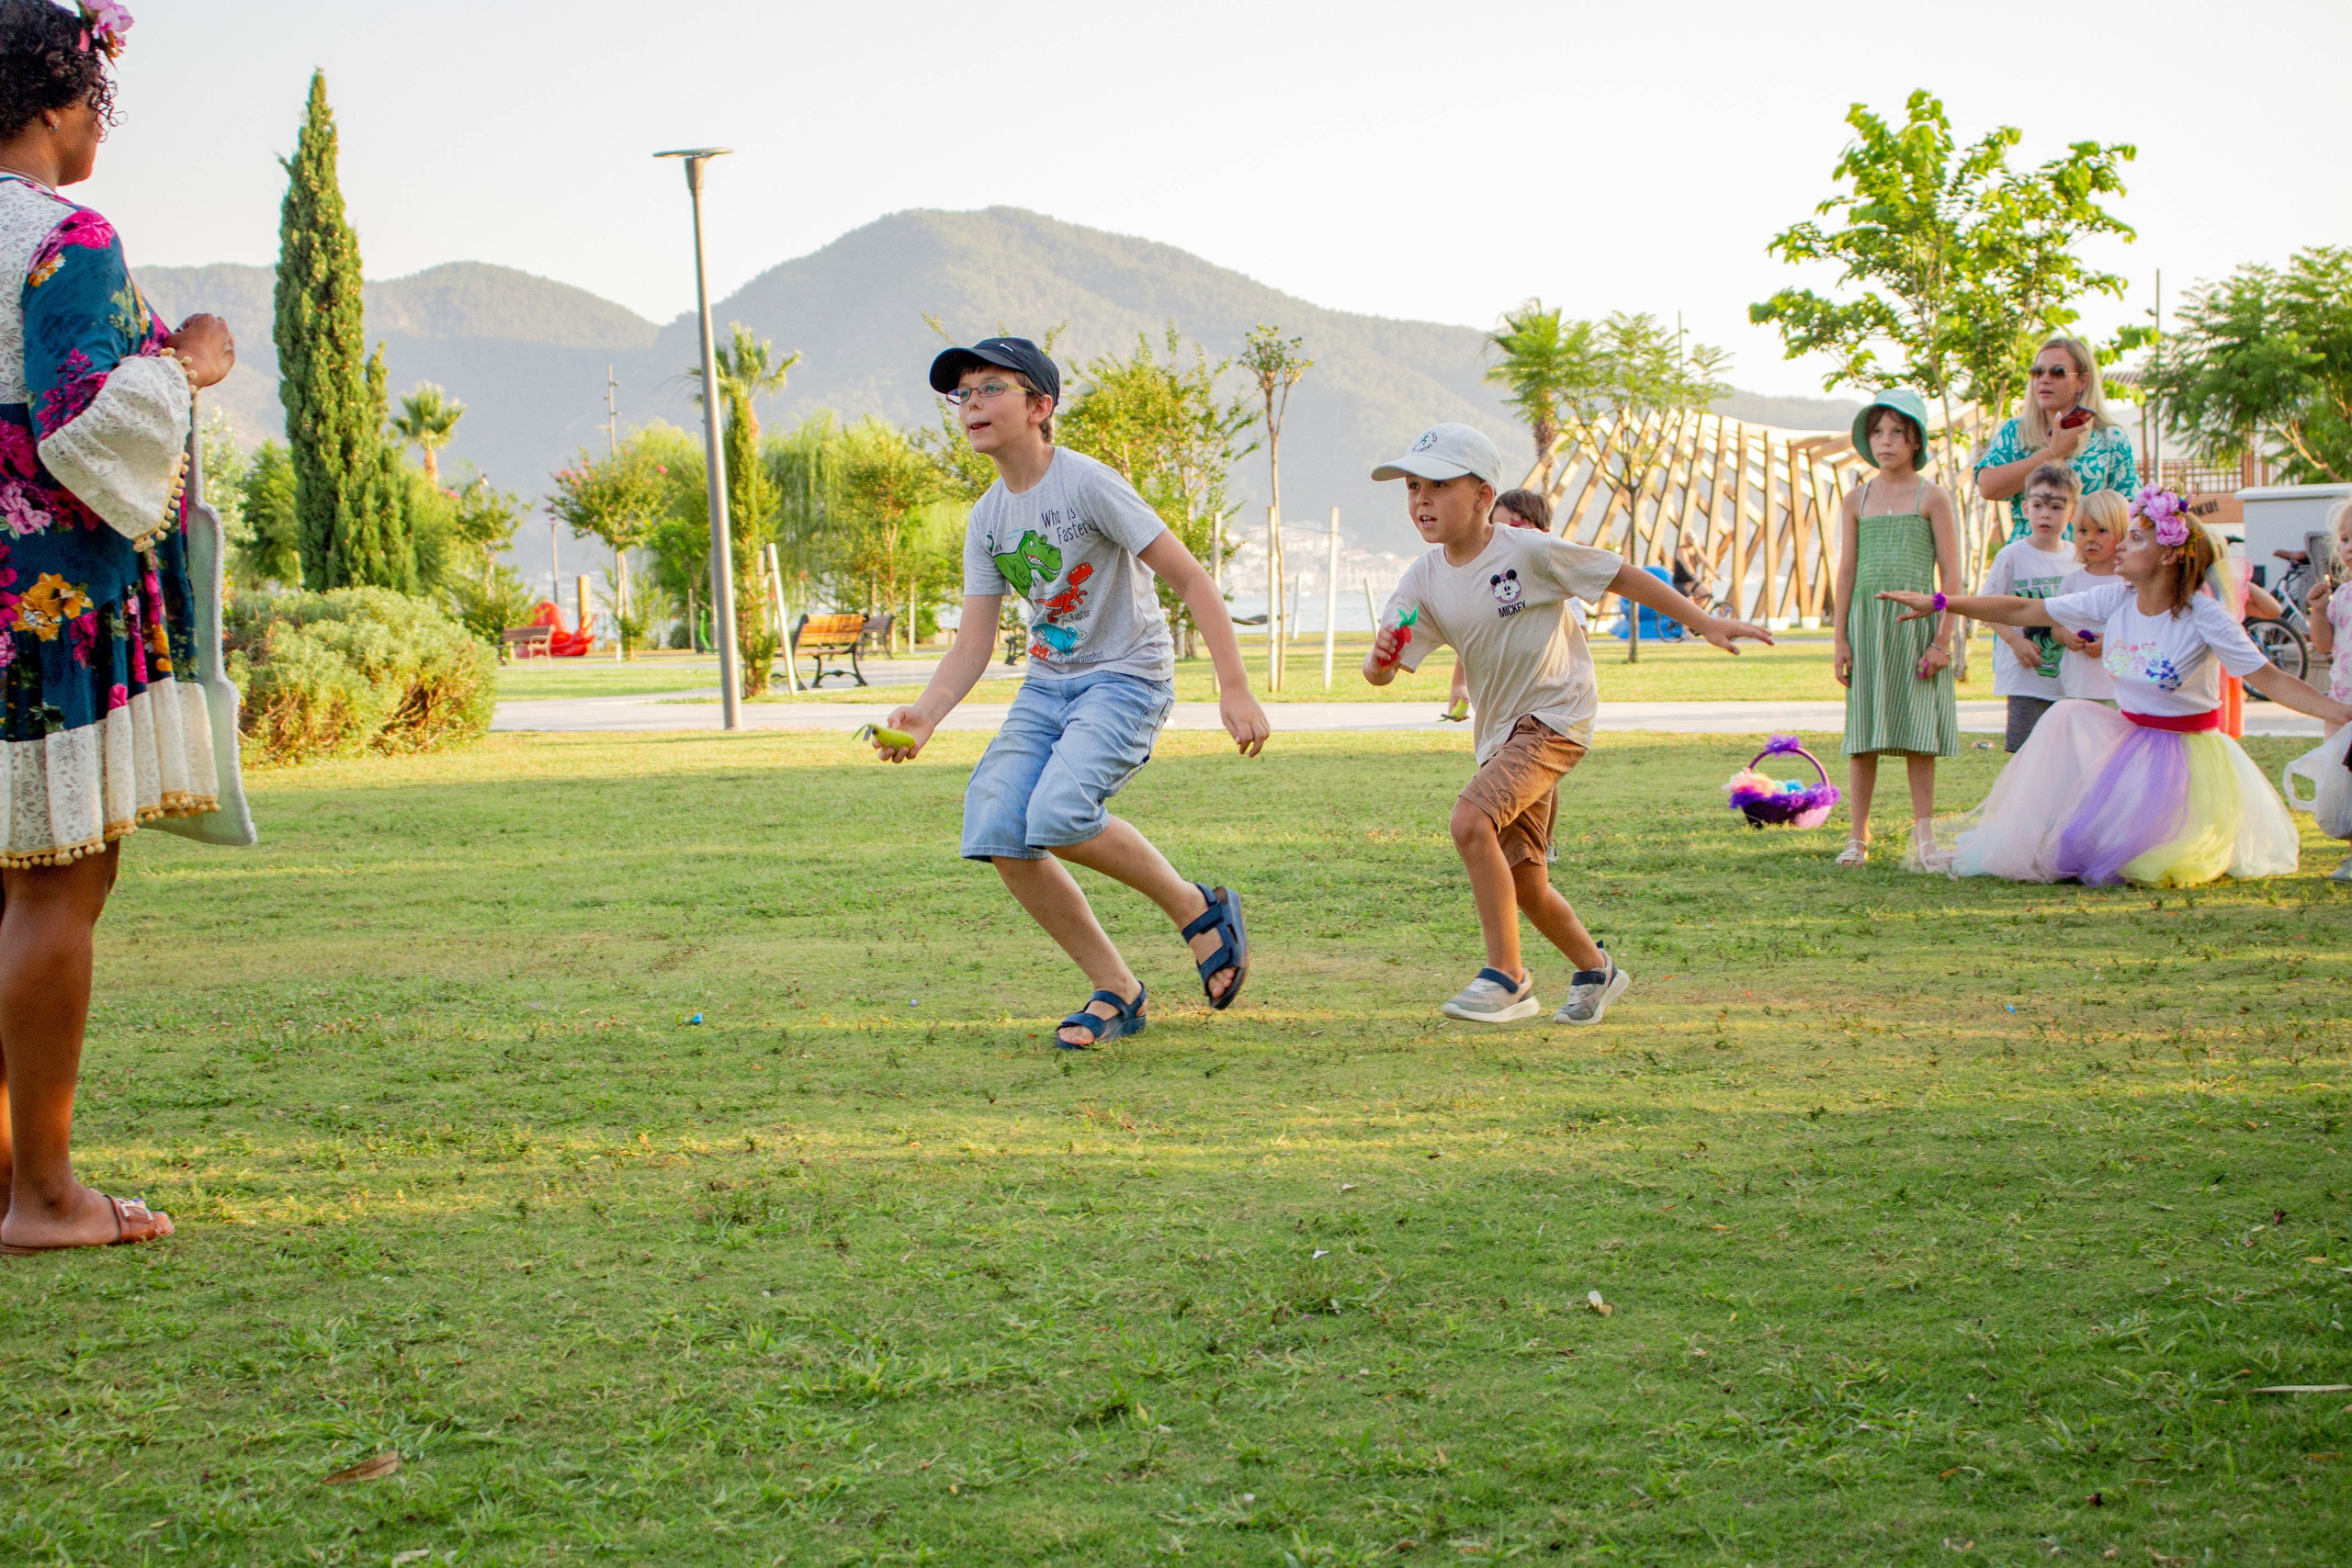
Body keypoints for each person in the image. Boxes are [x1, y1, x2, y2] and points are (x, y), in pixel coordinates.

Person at [0, 0, 253, 1256]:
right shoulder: (65, 237)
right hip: (39, 603)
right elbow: (83, 428)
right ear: (55, 109)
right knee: (56, 880)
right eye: (98, 100)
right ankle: (42, 1192)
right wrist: (189, 361)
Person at [871, 337, 1271, 1048]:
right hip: (1048, 684)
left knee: (1057, 811)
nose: (972, 404)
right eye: (963, 394)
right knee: (996, 822)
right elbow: (974, 643)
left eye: (991, 388)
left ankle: (1195, 907)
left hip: (1126, 676)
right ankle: (1117, 987)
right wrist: (925, 715)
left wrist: (1233, 686)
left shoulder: (1088, 484)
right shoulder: (987, 518)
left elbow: (1192, 579)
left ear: (1040, 406)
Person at [1363, 423, 1769, 1026]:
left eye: (1439, 485)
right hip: (1503, 737)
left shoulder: (1527, 551)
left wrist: (1702, 620)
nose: (1421, 499)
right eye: (1413, 487)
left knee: (1469, 820)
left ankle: (1508, 976)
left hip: (1556, 719)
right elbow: (1382, 672)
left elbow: (1622, 575)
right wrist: (1381, 658)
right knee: (1524, 882)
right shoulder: (1422, 578)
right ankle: (1594, 968)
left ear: (1482, 495)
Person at [1881, 487, 2352, 886]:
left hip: (2186, 759)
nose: (2120, 547)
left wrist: (2341, 714)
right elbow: (2028, 611)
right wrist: (1943, 601)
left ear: (2167, 554)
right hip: (2127, 745)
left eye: (2136, 538)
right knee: (2065, 716)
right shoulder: (2118, 597)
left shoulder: (2202, 615)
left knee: (2143, 864)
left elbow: (2269, 677)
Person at [1831, 389, 1960, 869]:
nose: (1886, 442)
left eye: (1897, 433)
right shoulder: (1855, 499)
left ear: (1915, 441)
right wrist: (1840, 637)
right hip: (1867, 627)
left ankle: (1925, 837)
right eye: (1878, 432)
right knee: (1862, 732)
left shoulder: (1934, 497)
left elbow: (1953, 575)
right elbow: (1847, 570)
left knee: (1917, 732)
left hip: (1916, 626)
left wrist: (1942, 640)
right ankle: (1857, 836)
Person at [1973, 335, 2139, 543]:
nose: (2044, 379)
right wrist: (2053, 452)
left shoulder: (2110, 438)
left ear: (2082, 381)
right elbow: (1988, 487)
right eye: (2037, 372)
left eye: (2057, 372)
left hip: (2088, 559)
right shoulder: (2015, 432)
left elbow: (2130, 507)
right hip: (2030, 560)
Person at [1981, 463, 2078, 751]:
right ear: (2025, 508)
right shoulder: (2012, 556)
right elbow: (1988, 608)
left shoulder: (2077, 558)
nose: (2046, 514)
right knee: (2023, 757)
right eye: (2038, 504)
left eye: (2057, 506)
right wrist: (2015, 641)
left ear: (2071, 512)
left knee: (2063, 757)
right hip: (2025, 681)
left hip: (2067, 683)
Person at [1442, 487, 1549, 723]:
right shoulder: (1489, 584)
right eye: (1498, 532)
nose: (1506, 540)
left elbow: (1578, 635)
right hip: (1499, 711)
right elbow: (1473, 635)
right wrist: (1459, 685)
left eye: (1515, 530)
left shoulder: (1554, 580)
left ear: (1544, 534)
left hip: (1544, 708)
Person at [2054, 490, 2127, 705]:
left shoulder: (2129, 583)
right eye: (2083, 531)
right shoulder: (2072, 582)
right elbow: (2056, 626)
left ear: (2123, 532)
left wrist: (2110, 644)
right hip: (2078, 686)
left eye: (2101, 530)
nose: (2090, 539)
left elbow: (2141, 631)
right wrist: (2067, 637)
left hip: (2119, 689)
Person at [2309, 497, 2352, 737]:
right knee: (2339, 771)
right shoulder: (2344, 595)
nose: (2349, 547)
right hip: (2342, 704)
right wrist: (2319, 610)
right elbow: (2323, 644)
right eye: (2345, 540)